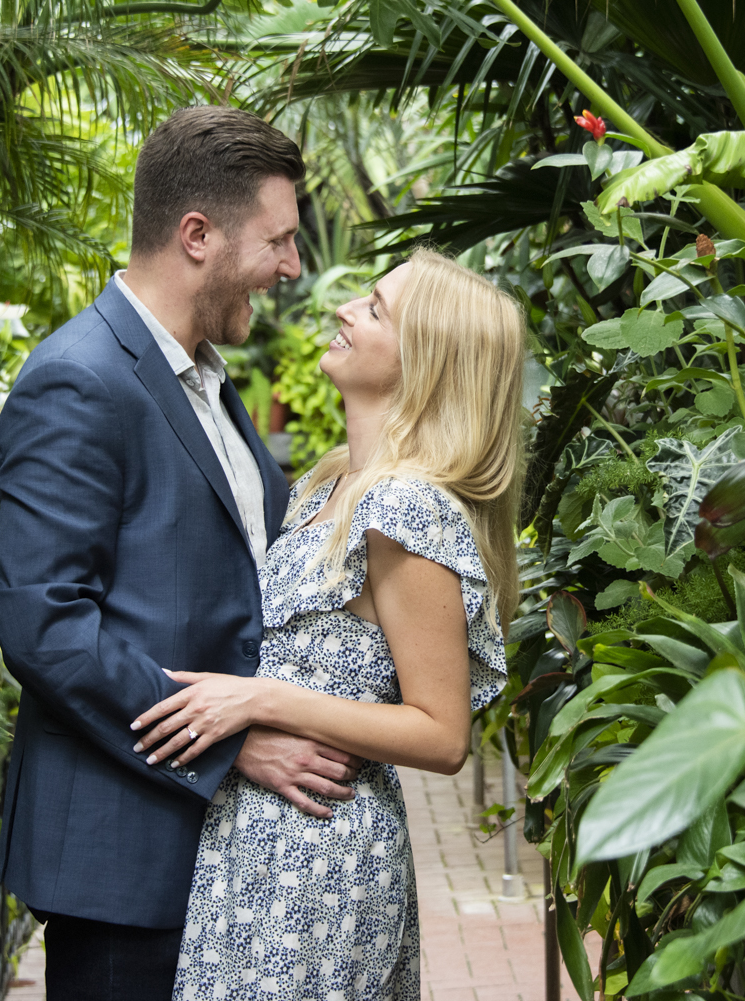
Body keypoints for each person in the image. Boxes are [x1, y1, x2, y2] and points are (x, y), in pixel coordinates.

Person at [0, 105, 366, 1001]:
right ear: (197, 234)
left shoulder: (202, 376)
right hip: (124, 861)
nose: (293, 267)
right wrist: (232, 742)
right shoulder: (78, 380)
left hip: (213, 852)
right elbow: (46, 626)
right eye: (277, 240)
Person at [127, 248, 526, 1001]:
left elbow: (441, 733)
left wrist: (257, 701)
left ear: (428, 361)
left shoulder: (406, 507)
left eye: (375, 308)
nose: (344, 308)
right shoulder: (330, 481)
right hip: (264, 844)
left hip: (318, 855)